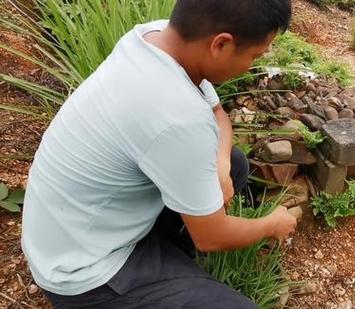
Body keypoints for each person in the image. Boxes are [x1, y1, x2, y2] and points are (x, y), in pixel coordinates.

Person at [21, 0, 296, 307]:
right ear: (221, 44)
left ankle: (172, 261)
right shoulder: (177, 115)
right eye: (255, 55)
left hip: (74, 226)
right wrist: (272, 225)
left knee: (233, 164)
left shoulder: (155, 38)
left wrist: (218, 164)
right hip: (82, 271)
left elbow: (218, 113)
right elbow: (213, 236)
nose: (254, 64)